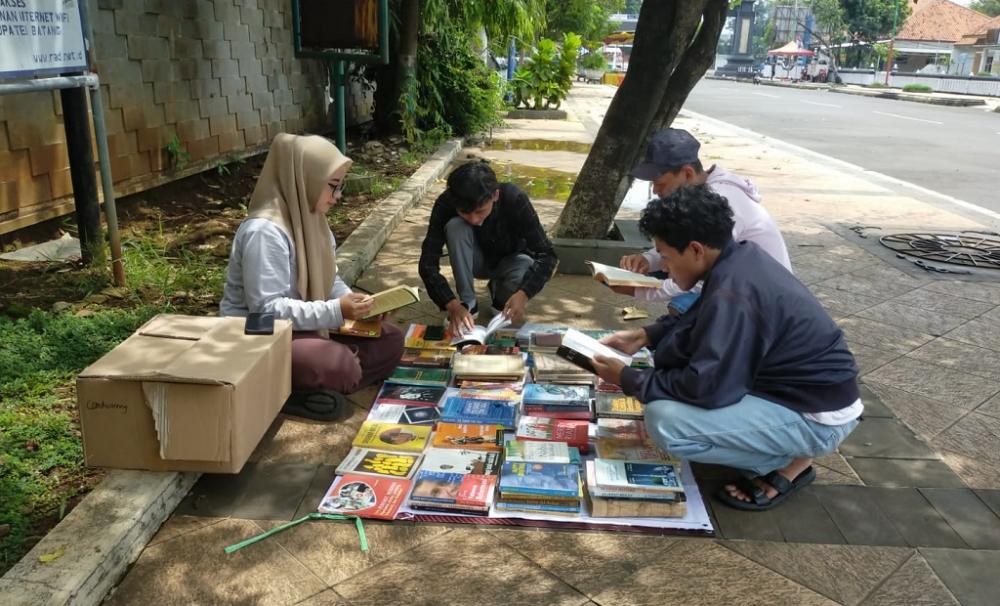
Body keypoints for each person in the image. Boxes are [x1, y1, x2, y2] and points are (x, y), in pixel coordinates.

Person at [592, 185, 862, 511]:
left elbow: (706, 387)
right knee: (667, 379)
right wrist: (647, 335)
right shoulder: (738, 258)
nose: (664, 266)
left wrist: (629, 379)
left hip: (816, 417)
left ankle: (788, 463)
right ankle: (774, 446)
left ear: (694, 249)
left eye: (665, 256)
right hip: (793, 392)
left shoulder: (735, 290)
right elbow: (702, 320)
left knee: (666, 420)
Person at [220, 133, 404, 421]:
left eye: (339, 187)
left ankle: (309, 382)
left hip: (304, 327)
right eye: (332, 187)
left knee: (391, 340)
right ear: (305, 178)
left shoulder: (313, 219)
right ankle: (292, 390)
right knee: (337, 364)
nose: (338, 196)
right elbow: (266, 310)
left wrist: (356, 304)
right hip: (258, 333)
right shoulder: (264, 231)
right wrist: (335, 311)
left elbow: (328, 280)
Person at [618, 128, 791, 315]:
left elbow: (696, 277)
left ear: (688, 173)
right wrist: (648, 260)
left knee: (682, 307)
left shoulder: (720, 202)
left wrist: (639, 291)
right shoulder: (703, 194)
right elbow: (683, 246)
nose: (656, 191)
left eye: (661, 184)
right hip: (741, 282)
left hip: (765, 298)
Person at [419, 161, 558, 336]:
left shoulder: (514, 198)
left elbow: (548, 255)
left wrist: (524, 294)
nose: (473, 220)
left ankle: (501, 296)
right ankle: (468, 303)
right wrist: (451, 304)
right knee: (456, 227)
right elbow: (427, 262)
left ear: (495, 195)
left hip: (512, 260)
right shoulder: (445, 203)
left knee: (526, 264)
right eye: (464, 212)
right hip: (473, 260)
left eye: (480, 211)